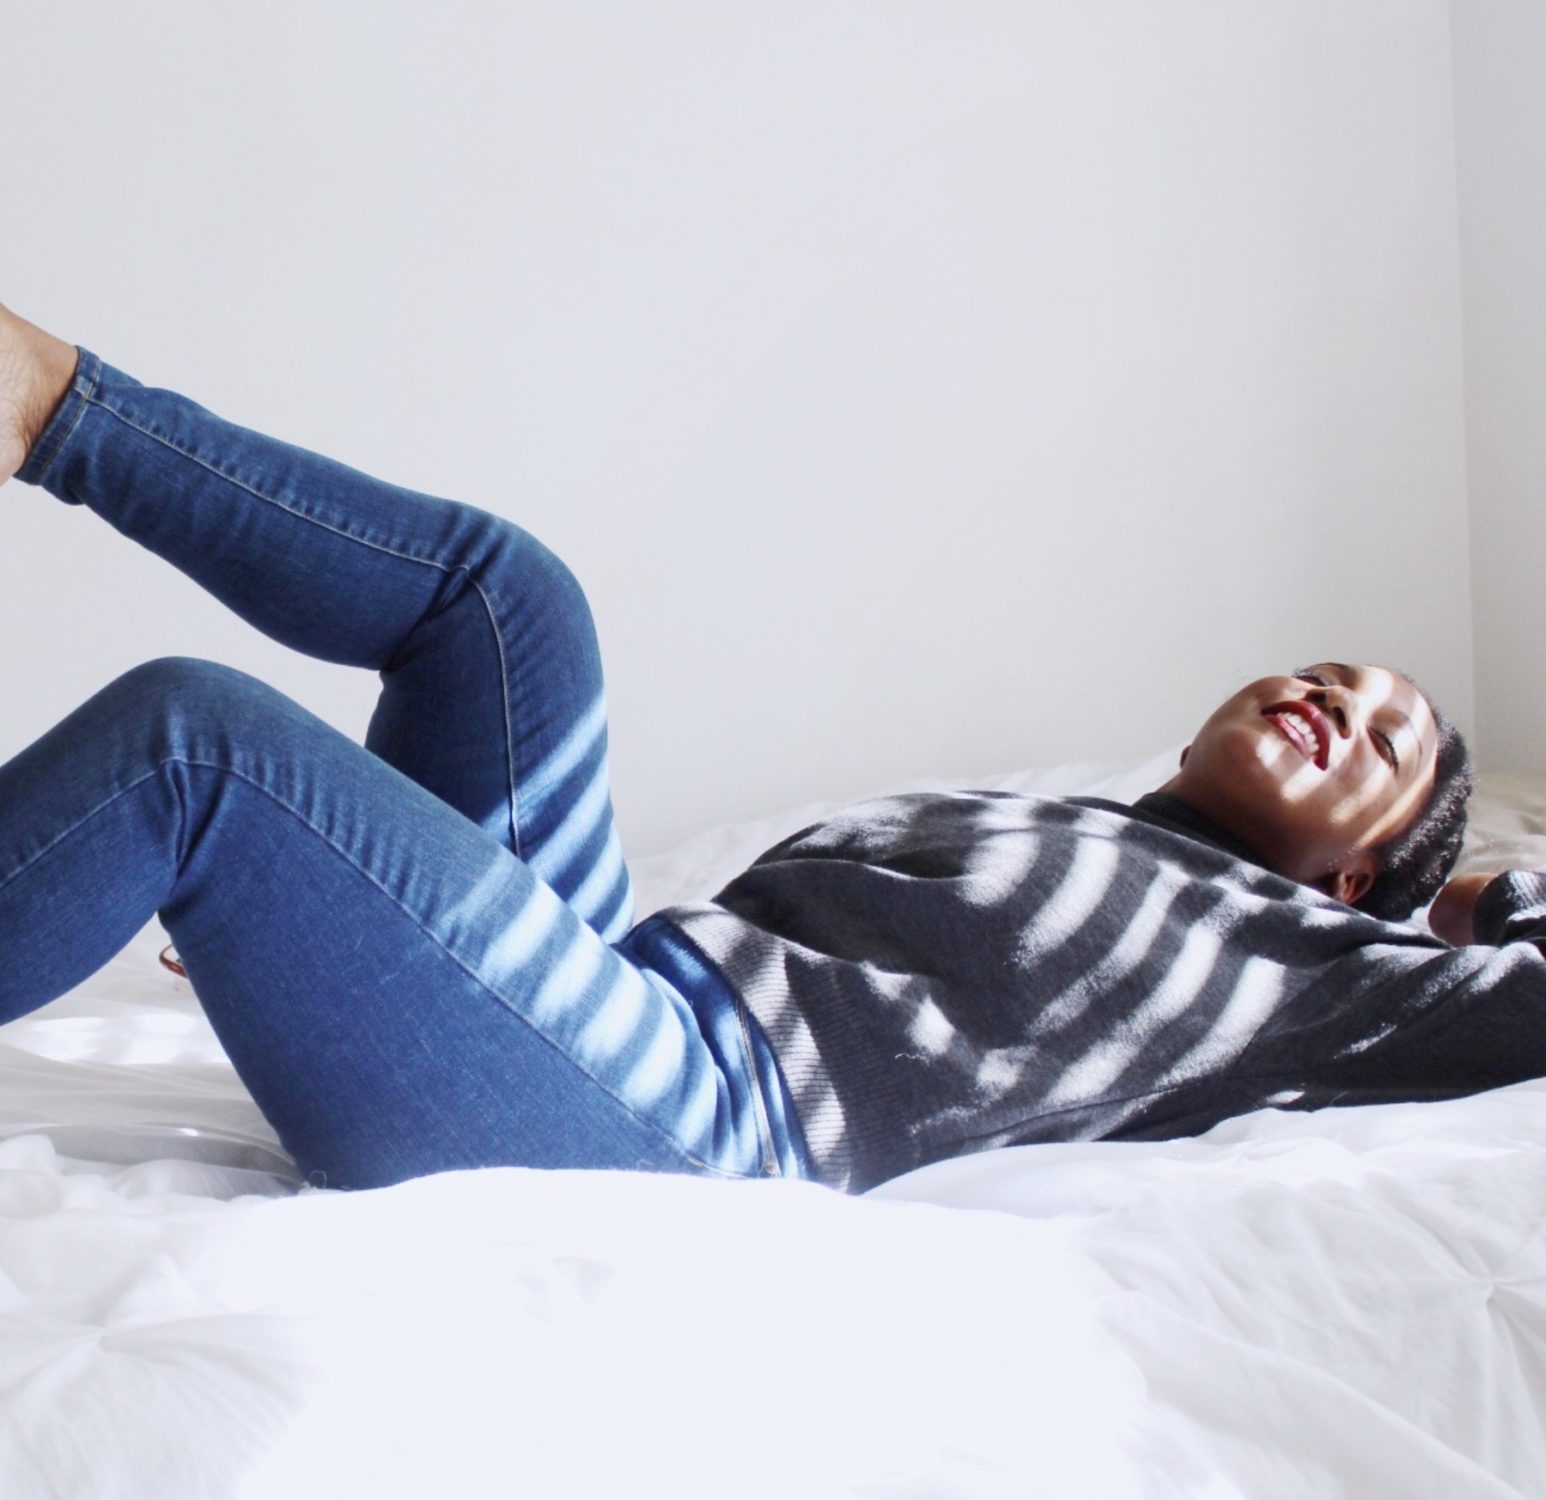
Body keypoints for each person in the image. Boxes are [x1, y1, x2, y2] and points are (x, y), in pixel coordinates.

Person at [0, 301, 1538, 1198]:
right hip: (611, 990)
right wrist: (364, 911)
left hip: (685, 1125)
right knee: (507, 604)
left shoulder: (1318, 973)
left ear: (1358, 873)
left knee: (199, 745)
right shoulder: (1054, 826)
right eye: (1329, 669)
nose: (1340, 697)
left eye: (1385, 734)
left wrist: (1473, 899)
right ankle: (50, 403)